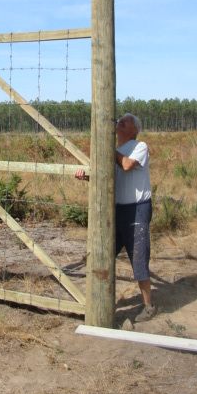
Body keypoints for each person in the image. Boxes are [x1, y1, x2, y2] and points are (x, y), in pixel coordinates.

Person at [75, 112, 155, 322]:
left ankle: (148, 306)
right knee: (103, 253)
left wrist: (107, 150)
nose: (121, 120)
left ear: (134, 130)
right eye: (121, 118)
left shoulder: (140, 147)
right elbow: (104, 177)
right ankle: (98, 300)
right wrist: (86, 176)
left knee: (138, 256)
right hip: (115, 210)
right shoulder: (115, 151)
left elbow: (127, 166)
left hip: (137, 208)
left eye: (127, 119)